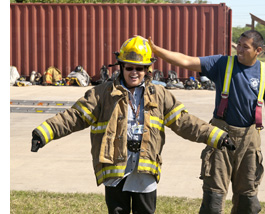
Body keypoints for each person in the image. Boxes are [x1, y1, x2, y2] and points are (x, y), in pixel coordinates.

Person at [31, 36, 235, 214]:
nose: (134, 72)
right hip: (115, 168)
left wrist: (217, 136)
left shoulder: (160, 95)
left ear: (147, 69)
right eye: (129, 67)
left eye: (140, 68)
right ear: (121, 67)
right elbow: (74, 117)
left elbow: (185, 122)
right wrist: (44, 133)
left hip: (145, 171)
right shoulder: (102, 94)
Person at [147, 30, 265, 214]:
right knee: (213, 200)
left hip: (250, 141)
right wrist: (156, 50)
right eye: (238, 44)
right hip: (220, 137)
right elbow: (186, 60)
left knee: (248, 201)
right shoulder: (222, 63)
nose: (239, 49)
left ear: (258, 50)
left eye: (245, 47)